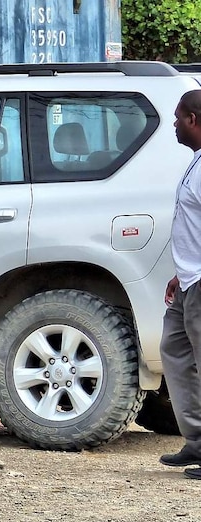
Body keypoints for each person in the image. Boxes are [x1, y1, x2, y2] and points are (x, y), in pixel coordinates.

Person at [160, 89, 201, 479]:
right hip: (188, 279)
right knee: (173, 350)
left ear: (193, 119)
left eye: (176, 118)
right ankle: (197, 441)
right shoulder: (196, 160)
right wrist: (180, 270)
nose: (173, 125)